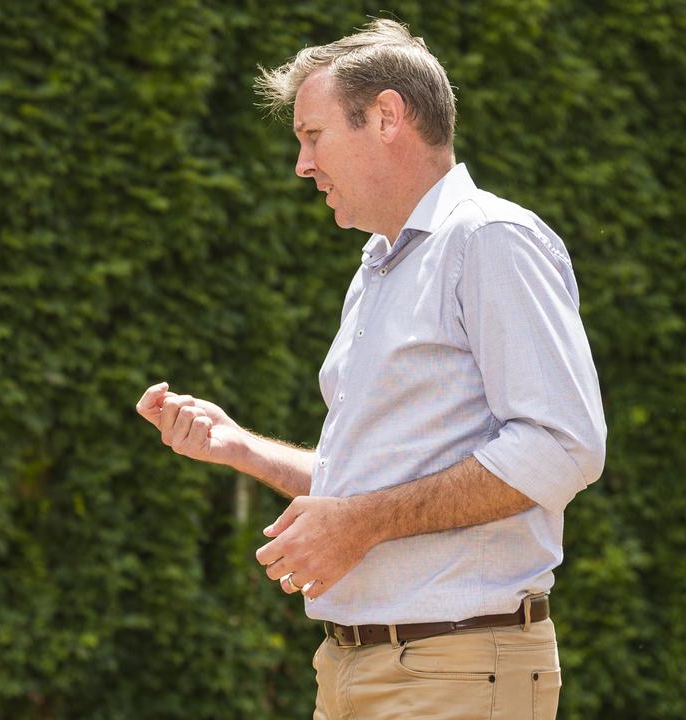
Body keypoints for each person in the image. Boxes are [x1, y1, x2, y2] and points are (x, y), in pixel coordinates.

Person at [136, 19, 605, 719]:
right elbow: (379, 480)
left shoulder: (490, 239)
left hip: (457, 671)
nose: (301, 163)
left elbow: (563, 445)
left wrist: (359, 525)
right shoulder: (381, 267)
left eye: (312, 135)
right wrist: (239, 447)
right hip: (357, 669)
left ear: (387, 115)